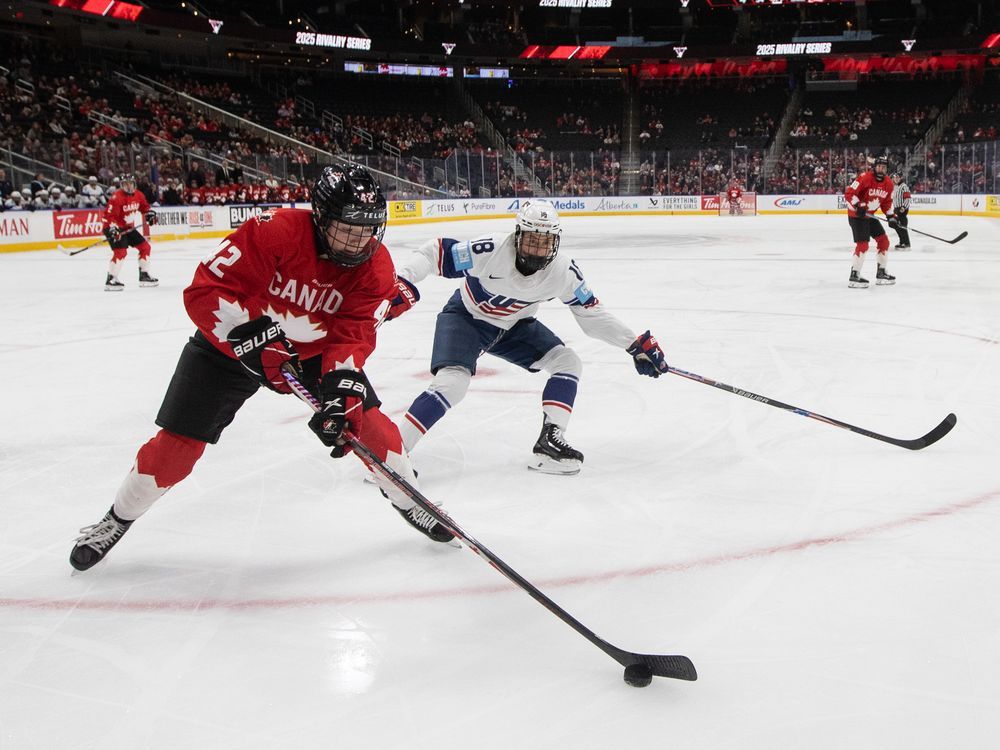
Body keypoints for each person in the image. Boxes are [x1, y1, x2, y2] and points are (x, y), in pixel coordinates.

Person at [69, 165, 456, 572]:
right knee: (175, 449)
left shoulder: (376, 269)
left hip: (309, 355)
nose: (360, 241)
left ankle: (411, 500)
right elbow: (205, 289)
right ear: (321, 217)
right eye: (348, 228)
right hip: (227, 347)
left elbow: (354, 334)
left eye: (368, 229)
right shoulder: (274, 232)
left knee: (369, 425)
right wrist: (250, 337)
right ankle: (116, 518)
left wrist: (341, 388)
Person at [386, 199, 669, 476]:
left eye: (545, 242)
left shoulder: (564, 272)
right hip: (466, 319)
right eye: (532, 239)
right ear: (518, 235)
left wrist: (633, 345)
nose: (537, 248)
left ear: (555, 243)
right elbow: (434, 252)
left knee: (567, 362)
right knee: (453, 383)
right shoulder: (490, 250)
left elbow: (592, 316)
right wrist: (403, 280)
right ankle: (390, 455)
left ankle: (550, 441)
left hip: (513, 326)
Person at [844, 156, 899, 288]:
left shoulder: (889, 184)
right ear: (874, 167)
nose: (881, 169)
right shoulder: (865, 177)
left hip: (869, 216)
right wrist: (858, 205)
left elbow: (886, 203)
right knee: (863, 245)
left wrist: (891, 216)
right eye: (879, 166)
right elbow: (849, 194)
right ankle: (854, 275)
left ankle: (881, 273)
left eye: (884, 167)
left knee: (884, 241)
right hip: (857, 216)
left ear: (887, 169)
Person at [101, 173, 159, 291]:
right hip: (113, 227)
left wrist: (149, 214)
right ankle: (111, 279)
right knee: (121, 252)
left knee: (145, 247)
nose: (128, 186)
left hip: (127, 227)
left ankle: (144, 275)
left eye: (130, 183)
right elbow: (110, 216)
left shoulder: (139, 195)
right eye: (125, 184)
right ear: (121, 185)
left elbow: (145, 207)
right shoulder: (116, 197)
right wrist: (113, 229)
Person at [890, 171, 912, 250]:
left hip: (901, 209)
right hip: (896, 209)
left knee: (902, 226)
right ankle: (902, 241)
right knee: (894, 224)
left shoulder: (904, 186)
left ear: (901, 178)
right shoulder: (895, 187)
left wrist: (903, 207)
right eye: (895, 178)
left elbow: (908, 199)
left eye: (897, 177)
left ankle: (906, 243)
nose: (896, 179)